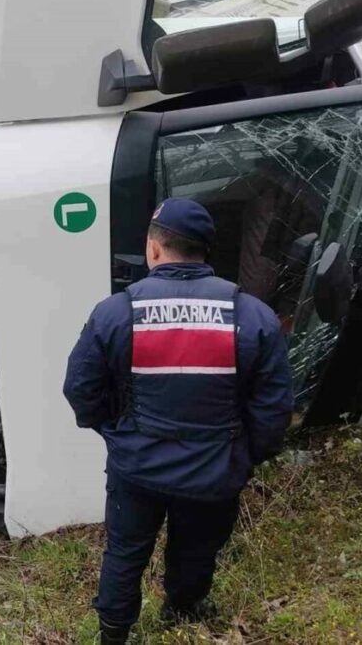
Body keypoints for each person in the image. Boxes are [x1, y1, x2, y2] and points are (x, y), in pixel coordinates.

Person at [63, 198, 294, 644]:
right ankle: (184, 610)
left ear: (153, 248)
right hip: (214, 469)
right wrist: (244, 456)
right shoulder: (253, 316)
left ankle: (113, 632)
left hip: (137, 466)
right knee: (198, 547)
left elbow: (80, 390)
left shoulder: (115, 313)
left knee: (126, 552)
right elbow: (273, 410)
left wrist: (119, 433)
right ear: (206, 251)